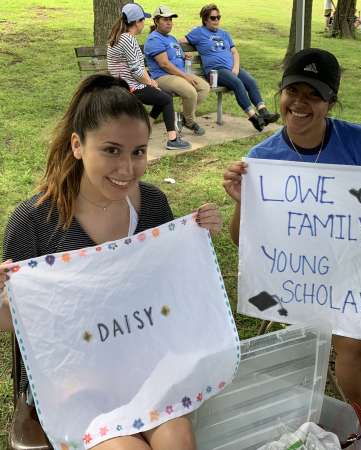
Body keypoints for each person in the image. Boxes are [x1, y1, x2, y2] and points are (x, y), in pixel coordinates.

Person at [0, 74, 223, 449]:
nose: (126, 168)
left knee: (178, 438)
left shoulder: (152, 205)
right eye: (111, 150)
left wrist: (195, 243)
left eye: (138, 152)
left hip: (142, 363)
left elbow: (170, 292)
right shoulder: (35, 221)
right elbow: (16, 325)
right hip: (71, 380)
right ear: (77, 145)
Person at [223, 48, 361, 415]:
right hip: (305, 272)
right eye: (293, 90)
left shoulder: (359, 142)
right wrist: (243, 202)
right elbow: (238, 239)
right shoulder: (263, 158)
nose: (300, 103)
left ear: (331, 103)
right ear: (280, 93)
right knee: (356, 345)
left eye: (314, 95)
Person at [182, 4, 280, 132]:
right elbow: (178, 42)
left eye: (218, 17)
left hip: (232, 68)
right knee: (237, 83)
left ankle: (264, 112)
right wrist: (184, 53)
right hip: (216, 71)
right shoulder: (198, 32)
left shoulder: (225, 34)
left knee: (251, 82)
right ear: (205, 19)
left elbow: (235, 52)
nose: (216, 20)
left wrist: (236, 67)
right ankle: (254, 118)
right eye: (213, 18)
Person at [107, 3, 191, 151]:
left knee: (163, 95)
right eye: (142, 20)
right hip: (129, 88)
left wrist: (151, 82)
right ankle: (172, 139)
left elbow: (137, 67)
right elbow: (137, 71)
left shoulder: (120, 36)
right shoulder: (128, 39)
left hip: (123, 85)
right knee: (165, 99)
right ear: (137, 22)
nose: (143, 24)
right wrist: (150, 82)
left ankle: (145, 130)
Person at [144, 5, 210, 136]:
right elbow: (164, 64)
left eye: (170, 19)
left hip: (178, 75)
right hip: (162, 77)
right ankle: (190, 122)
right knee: (190, 92)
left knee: (204, 87)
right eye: (165, 19)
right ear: (156, 21)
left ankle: (184, 116)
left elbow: (174, 54)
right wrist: (186, 77)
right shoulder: (154, 39)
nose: (169, 22)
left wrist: (184, 56)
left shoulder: (172, 38)